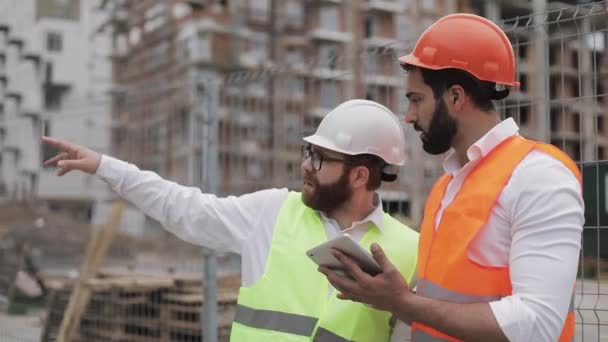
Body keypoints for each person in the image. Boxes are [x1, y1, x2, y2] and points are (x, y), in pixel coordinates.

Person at [42, 99, 419, 341]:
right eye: (309, 152)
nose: (306, 164)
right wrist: (106, 167)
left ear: (359, 176)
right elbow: (187, 209)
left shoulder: (410, 251)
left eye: (320, 158)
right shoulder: (272, 213)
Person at [320, 13, 584, 342]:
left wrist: (405, 302)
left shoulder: (539, 177)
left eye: (416, 100)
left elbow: (537, 324)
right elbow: (442, 299)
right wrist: (390, 296)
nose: (409, 116)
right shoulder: (448, 185)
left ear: (455, 97)